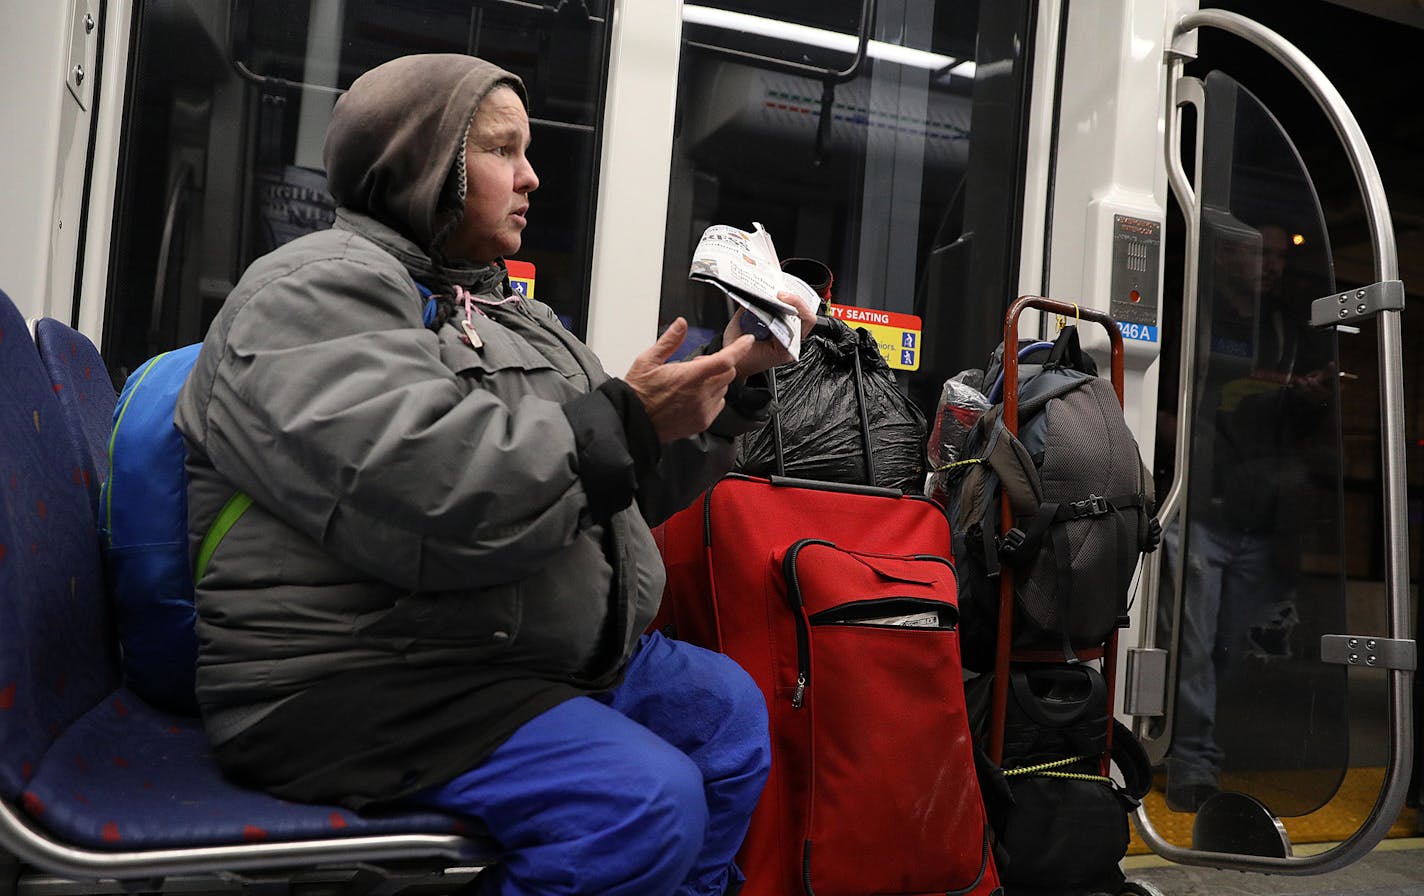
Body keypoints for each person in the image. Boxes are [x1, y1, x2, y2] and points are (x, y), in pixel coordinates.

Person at [174, 53, 815, 896]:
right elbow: (433, 484)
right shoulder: (308, 294)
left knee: (727, 721)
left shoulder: (514, 313)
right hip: (361, 678)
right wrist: (628, 419)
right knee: (640, 806)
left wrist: (727, 390)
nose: (532, 176)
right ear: (423, 165)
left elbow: (610, 486)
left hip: (495, 648)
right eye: (503, 151)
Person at [1157, 219, 1334, 813]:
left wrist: (1308, 399)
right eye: (1264, 254)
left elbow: (1308, 425)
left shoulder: (1287, 327)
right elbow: (1159, 400)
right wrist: (1186, 444)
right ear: (1229, 258)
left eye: (1281, 256)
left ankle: (1199, 746)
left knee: (1231, 650)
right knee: (1194, 646)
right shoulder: (1192, 316)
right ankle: (1190, 763)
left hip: (1261, 510)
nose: (1274, 265)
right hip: (1202, 503)